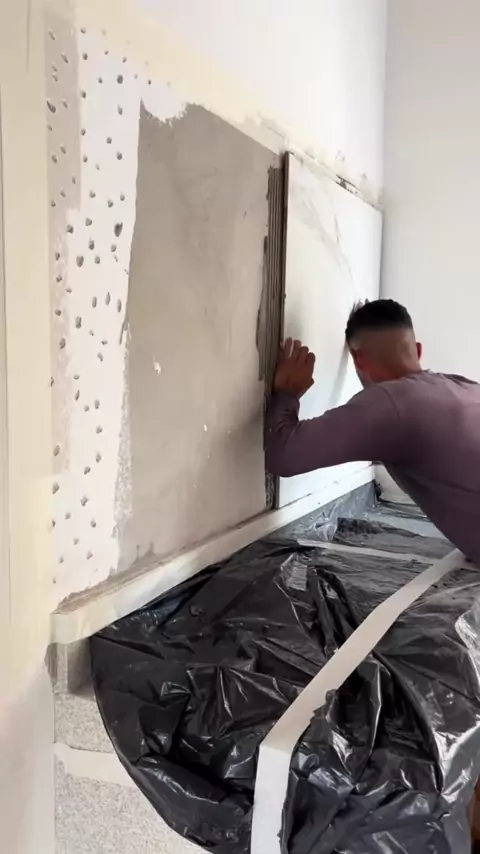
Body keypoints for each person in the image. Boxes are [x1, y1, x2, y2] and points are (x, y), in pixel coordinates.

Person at [266, 299, 480, 563]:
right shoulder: (465, 388)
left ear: (358, 359)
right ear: (418, 350)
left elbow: (285, 455)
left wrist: (287, 393)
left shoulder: (390, 404)